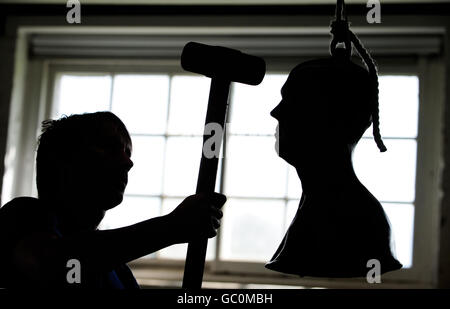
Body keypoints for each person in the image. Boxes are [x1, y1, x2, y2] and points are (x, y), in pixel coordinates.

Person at [0, 111, 226, 288]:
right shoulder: (22, 216)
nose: (128, 163)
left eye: (128, 152)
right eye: (109, 148)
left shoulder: (117, 272)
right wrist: (171, 227)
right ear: (64, 160)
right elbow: (57, 265)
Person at [265, 50, 402, 277]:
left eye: (295, 101)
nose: (276, 112)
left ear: (328, 120)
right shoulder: (321, 205)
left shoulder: (359, 221)